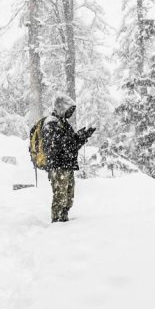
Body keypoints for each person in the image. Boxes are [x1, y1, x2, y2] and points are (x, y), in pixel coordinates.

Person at [42, 94, 95, 223]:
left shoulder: (64, 124)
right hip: (58, 166)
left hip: (67, 165)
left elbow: (71, 145)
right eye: (68, 109)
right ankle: (56, 221)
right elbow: (56, 145)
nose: (70, 113)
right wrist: (74, 139)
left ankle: (64, 219)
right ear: (61, 107)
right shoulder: (51, 123)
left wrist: (82, 137)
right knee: (60, 195)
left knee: (69, 196)